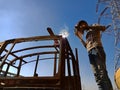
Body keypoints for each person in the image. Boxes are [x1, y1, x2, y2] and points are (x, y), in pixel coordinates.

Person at [74, 20, 113, 90]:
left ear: (84, 24)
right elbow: (86, 46)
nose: (81, 30)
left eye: (81, 27)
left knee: (102, 73)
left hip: (97, 49)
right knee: (96, 75)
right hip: (90, 53)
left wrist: (88, 26)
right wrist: (80, 38)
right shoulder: (86, 34)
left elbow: (103, 28)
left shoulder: (94, 26)